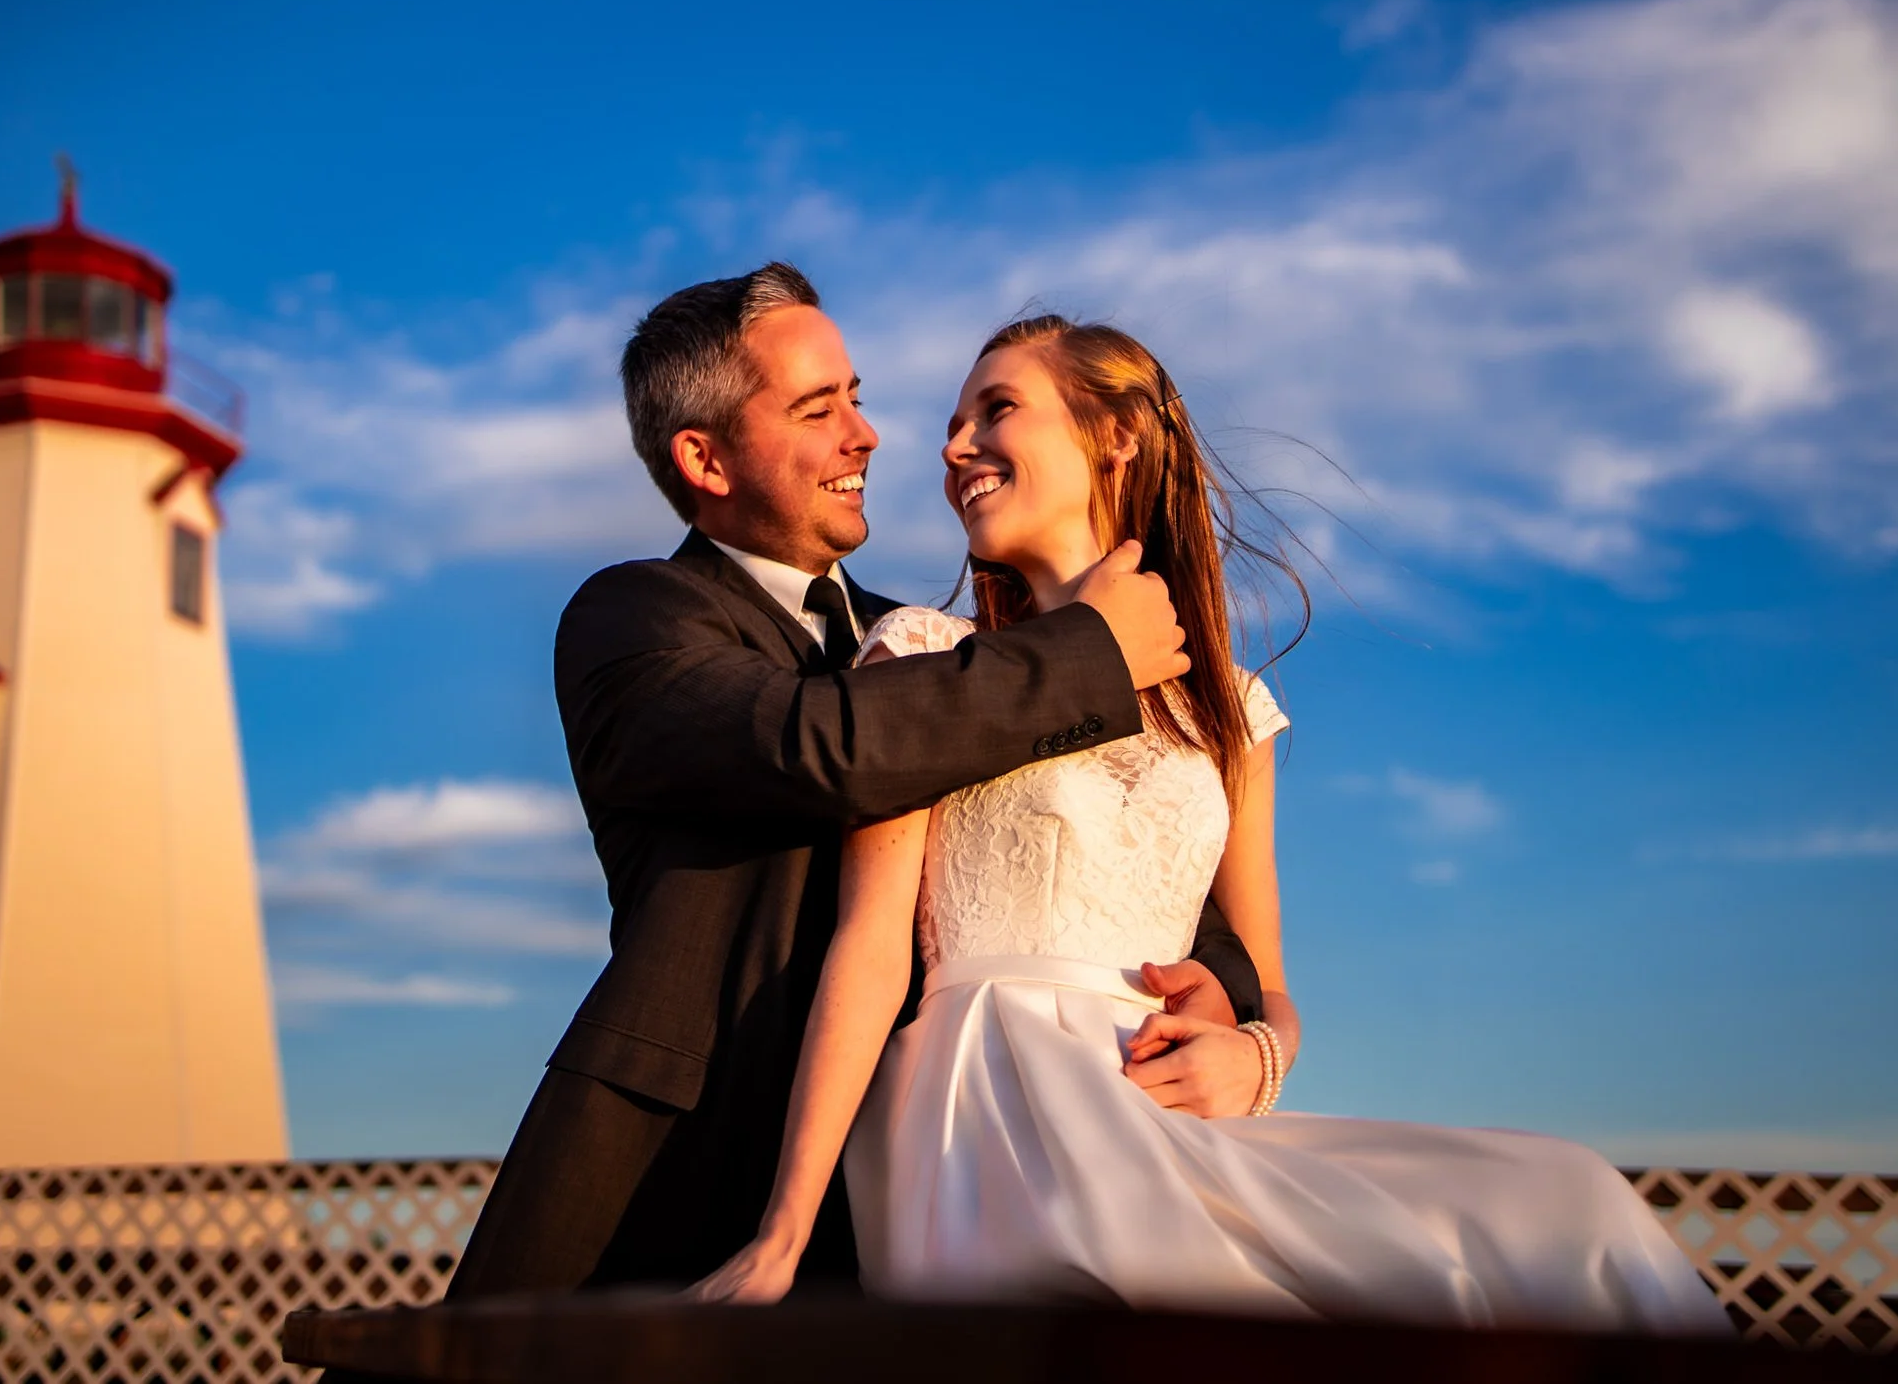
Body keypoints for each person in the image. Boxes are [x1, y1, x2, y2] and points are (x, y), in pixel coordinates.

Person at [690, 316, 1735, 1333]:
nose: (953, 445)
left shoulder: (1229, 708)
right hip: (991, 1111)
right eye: (953, 422)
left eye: (995, 408)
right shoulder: (923, 649)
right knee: (1191, 1285)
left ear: (1117, 433)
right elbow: (867, 946)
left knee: (1565, 1200)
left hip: (1170, 1106)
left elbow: (1270, 983)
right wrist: (783, 1230)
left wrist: (1257, 1054)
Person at [441, 268, 1276, 1299]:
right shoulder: (633, 621)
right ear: (703, 457)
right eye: (817, 406)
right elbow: (816, 746)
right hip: (691, 1173)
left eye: (857, 395)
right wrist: (1088, 651)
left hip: (964, 1159)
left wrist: (1240, 1023)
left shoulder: (961, 653)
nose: (869, 433)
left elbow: (1143, 884)